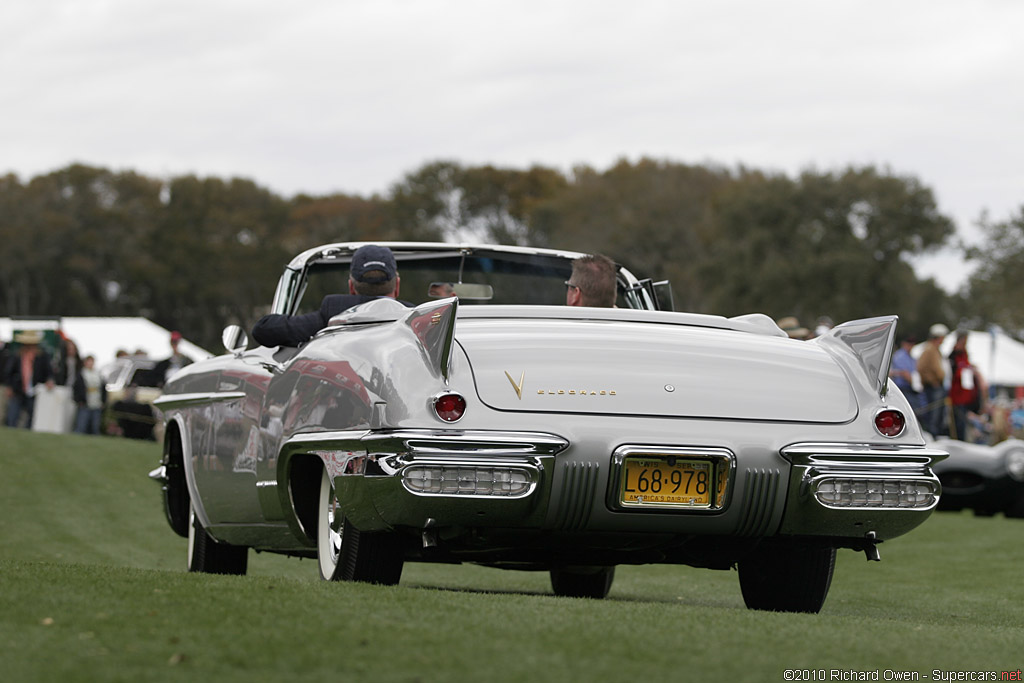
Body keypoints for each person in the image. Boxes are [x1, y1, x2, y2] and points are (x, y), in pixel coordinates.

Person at [252, 244, 410, 347]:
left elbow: (264, 329)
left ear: (351, 288)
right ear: (397, 286)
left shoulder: (333, 313)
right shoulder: (416, 319)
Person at [3, 330, 55, 428]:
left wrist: (49, 380)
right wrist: (9, 387)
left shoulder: (43, 357)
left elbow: (49, 372)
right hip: (18, 390)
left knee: (32, 416)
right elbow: (8, 373)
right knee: (13, 416)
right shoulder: (17, 356)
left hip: (35, 391)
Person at [948, 330, 984, 441]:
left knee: (963, 422)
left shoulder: (964, 355)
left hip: (965, 397)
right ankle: (958, 440)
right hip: (957, 396)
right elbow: (952, 374)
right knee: (959, 421)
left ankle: (961, 440)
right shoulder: (953, 356)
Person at [917, 323, 948, 436]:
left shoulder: (934, 349)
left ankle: (935, 434)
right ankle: (932, 434)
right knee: (934, 415)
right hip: (934, 387)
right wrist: (932, 381)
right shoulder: (929, 349)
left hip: (937, 386)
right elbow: (921, 367)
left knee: (938, 414)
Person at [73, 355, 107, 435]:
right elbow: (76, 388)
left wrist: (103, 401)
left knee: (95, 426)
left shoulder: (98, 374)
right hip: (85, 403)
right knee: (81, 425)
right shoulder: (81, 374)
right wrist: (79, 400)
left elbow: (103, 388)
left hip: (96, 402)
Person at [889, 335, 920, 410]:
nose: (911, 346)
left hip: (910, 388)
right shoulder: (900, 356)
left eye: (912, 344)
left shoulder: (911, 356)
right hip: (904, 388)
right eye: (909, 344)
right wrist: (916, 384)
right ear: (904, 343)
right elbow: (905, 374)